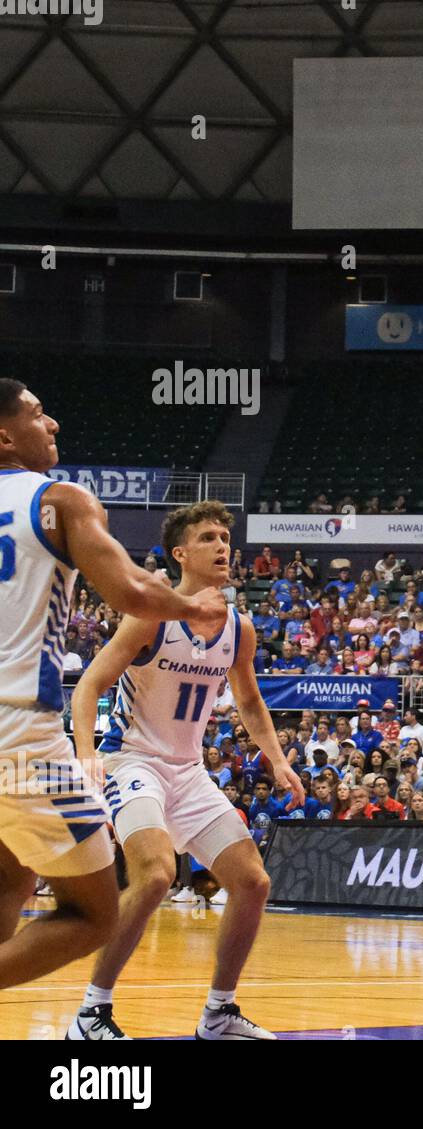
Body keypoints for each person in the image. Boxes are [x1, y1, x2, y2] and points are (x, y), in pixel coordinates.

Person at [0, 379, 226, 1000]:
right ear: (5, 435)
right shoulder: (59, 499)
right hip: (19, 736)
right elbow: (129, 591)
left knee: (11, 879)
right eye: (39, 415)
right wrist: (189, 607)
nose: (53, 426)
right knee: (93, 914)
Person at [67, 500, 305, 1040]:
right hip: (134, 760)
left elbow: (248, 701)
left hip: (189, 770)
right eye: (208, 538)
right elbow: (87, 687)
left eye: (225, 536)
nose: (223, 545)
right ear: (180, 553)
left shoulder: (239, 628)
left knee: (252, 882)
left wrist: (277, 759)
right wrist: (85, 752)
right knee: (153, 875)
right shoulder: (151, 613)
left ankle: (219, 1012)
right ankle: (90, 1013)